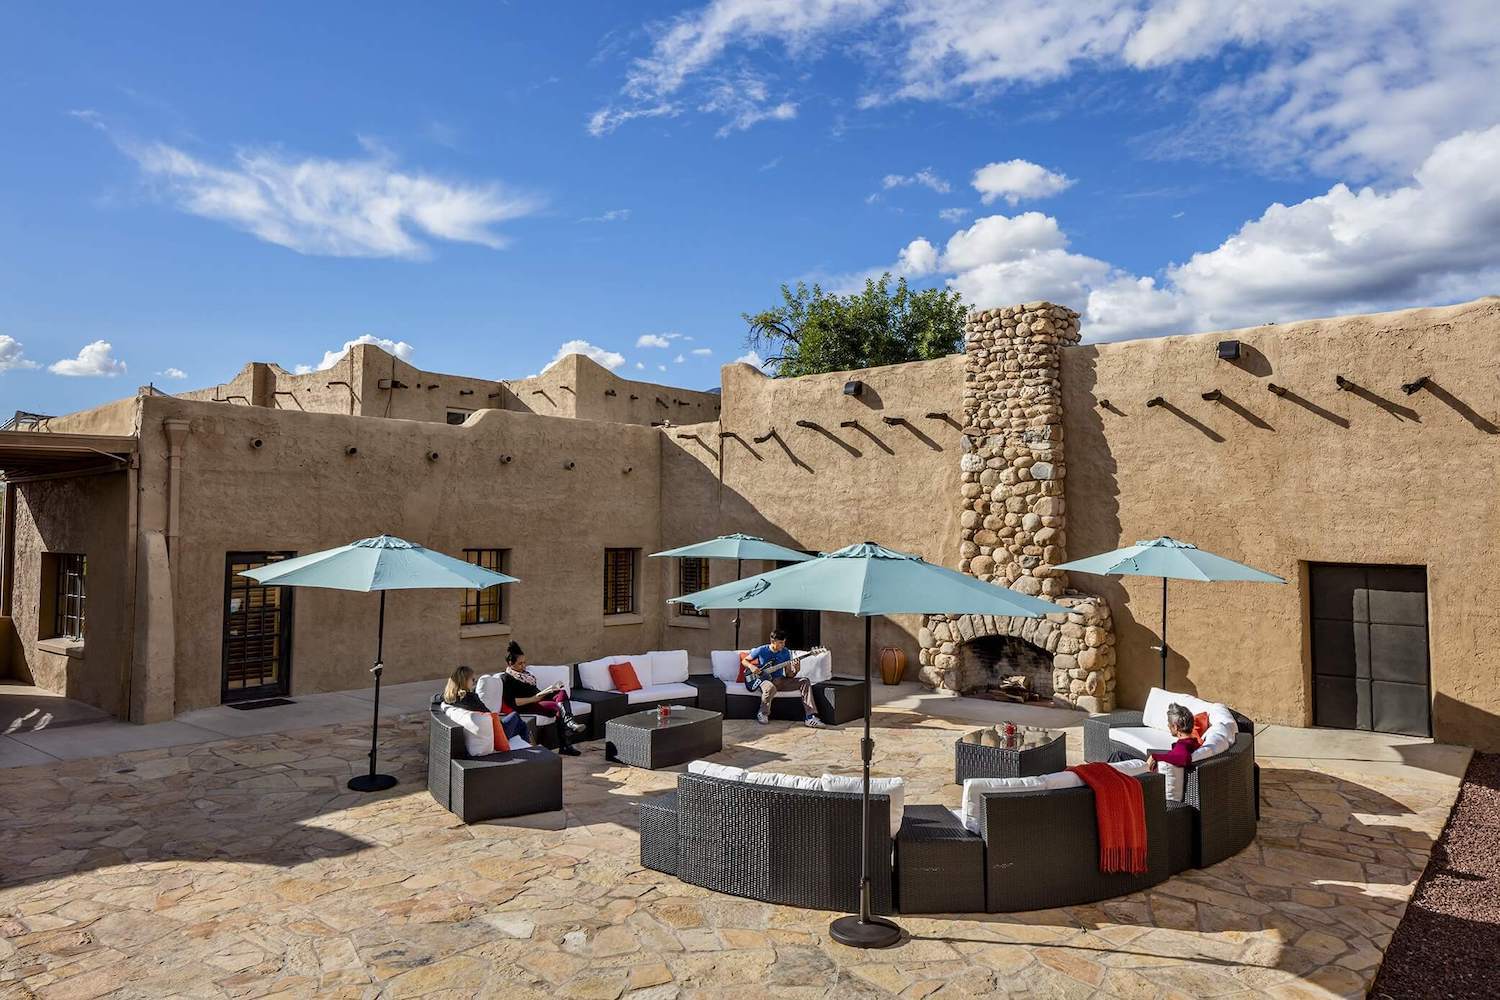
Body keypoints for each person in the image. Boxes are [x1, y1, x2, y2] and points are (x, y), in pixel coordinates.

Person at [501, 641, 583, 756]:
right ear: (510, 663)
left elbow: (535, 690)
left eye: (525, 662)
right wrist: (533, 699)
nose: (524, 666)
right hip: (527, 705)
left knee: (561, 693)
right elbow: (512, 701)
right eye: (520, 664)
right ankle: (566, 743)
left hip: (538, 698)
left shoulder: (526, 674)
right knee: (558, 707)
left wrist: (548, 691)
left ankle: (569, 723)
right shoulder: (506, 679)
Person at [741, 628, 825, 728]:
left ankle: (810, 717)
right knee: (770, 687)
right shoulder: (761, 650)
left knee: (805, 681)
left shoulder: (785, 653)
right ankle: (763, 713)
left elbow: (789, 675)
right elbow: (744, 661)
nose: (783, 645)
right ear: (773, 641)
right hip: (763, 680)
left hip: (780, 680)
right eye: (780, 643)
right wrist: (751, 666)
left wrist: (796, 669)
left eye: (784, 642)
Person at [442, 665, 530, 747]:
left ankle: (527, 745)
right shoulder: (471, 697)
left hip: (478, 733)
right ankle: (528, 747)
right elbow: (488, 714)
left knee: (519, 725)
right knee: (516, 717)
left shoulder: (448, 698)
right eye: (472, 680)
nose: (474, 682)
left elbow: (435, 698)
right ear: (465, 681)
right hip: (495, 735)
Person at [1145, 703, 1201, 771]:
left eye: (1169, 723)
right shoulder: (1193, 742)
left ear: (1175, 727)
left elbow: (1183, 758)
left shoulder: (1182, 745)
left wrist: (1154, 757)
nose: (1168, 725)